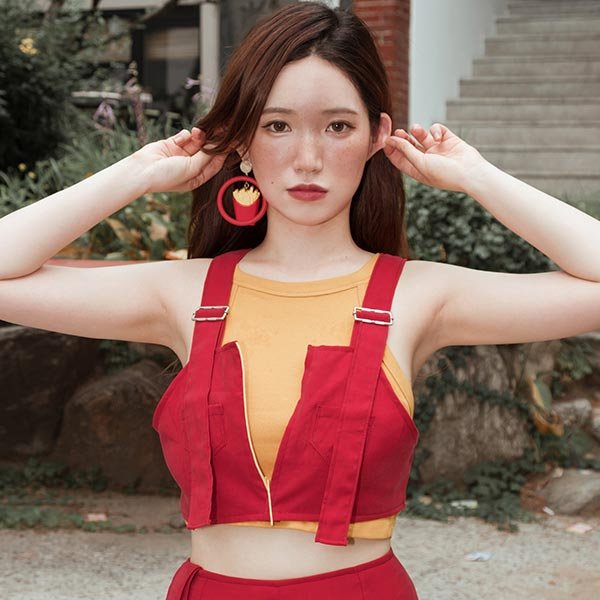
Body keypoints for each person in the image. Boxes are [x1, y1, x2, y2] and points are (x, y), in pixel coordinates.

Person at [2, 1, 600, 598]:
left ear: (376, 137)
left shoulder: (418, 295)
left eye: (337, 126)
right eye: (277, 126)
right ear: (241, 140)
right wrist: (138, 173)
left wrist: (475, 176)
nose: (307, 159)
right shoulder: (185, 292)